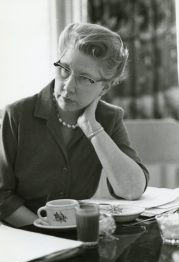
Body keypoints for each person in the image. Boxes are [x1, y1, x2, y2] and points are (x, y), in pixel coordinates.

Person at [0, 22, 149, 228]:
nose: (68, 86)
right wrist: (46, 229)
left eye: (85, 79)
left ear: (104, 88)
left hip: (76, 236)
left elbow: (131, 189)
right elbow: (2, 196)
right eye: (64, 69)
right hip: (23, 236)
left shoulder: (108, 118)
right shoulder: (16, 115)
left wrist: (91, 127)